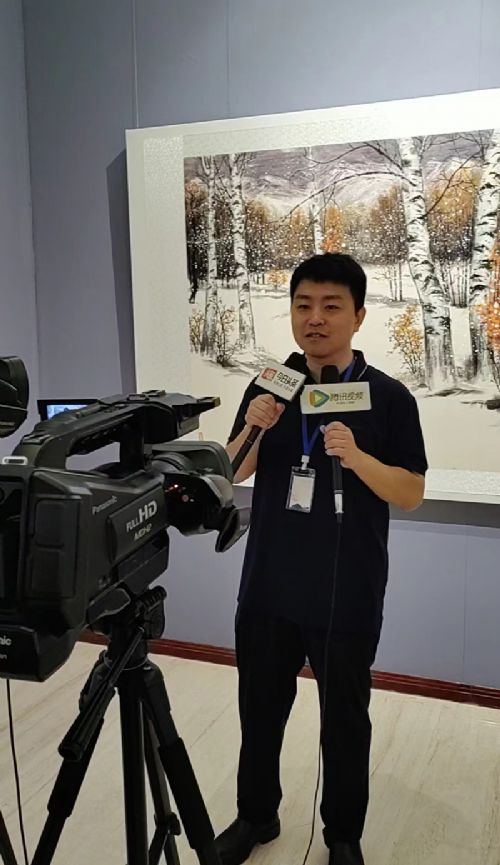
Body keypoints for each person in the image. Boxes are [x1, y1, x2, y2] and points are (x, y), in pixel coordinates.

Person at [217, 253, 428, 865]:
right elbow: (232, 473)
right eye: (303, 305)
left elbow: (411, 492)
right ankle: (256, 816)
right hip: (268, 584)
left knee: (345, 720)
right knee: (259, 712)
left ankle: (343, 836)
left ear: (358, 316)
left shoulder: (387, 397)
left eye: (331, 306)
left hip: (347, 587)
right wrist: (251, 427)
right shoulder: (271, 384)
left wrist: (357, 458)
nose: (315, 318)